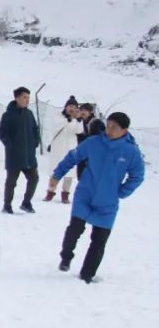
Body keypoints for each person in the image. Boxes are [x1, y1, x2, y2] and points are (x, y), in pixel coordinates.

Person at [52, 112, 144, 283]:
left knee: (99, 240)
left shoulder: (131, 151)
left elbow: (137, 175)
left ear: (124, 130)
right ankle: (66, 257)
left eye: (114, 127)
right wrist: (57, 175)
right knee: (74, 230)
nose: (108, 130)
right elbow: (73, 157)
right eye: (108, 125)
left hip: (107, 203)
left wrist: (122, 191)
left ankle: (87, 274)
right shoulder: (94, 142)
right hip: (85, 195)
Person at [0, 86, 40, 214]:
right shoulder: (8, 115)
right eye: (24, 97)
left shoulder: (29, 114)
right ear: (17, 98)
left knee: (34, 178)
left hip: (29, 155)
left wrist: (35, 142)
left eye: (28, 97)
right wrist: (10, 145)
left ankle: (26, 202)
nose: (27, 100)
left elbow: (35, 129)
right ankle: (7, 204)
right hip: (14, 155)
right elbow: (2, 132)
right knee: (11, 182)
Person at [43, 96, 83, 203]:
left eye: (74, 107)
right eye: (70, 106)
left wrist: (78, 120)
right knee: (55, 171)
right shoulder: (58, 116)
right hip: (58, 148)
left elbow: (79, 131)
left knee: (69, 173)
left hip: (70, 148)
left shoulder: (76, 120)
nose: (72, 109)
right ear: (66, 107)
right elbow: (56, 126)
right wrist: (69, 119)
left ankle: (65, 194)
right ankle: (50, 192)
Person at [75, 103, 104, 179]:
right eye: (81, 110)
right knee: (81, 177)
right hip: (82, 154)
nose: (83, 112)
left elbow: (99, 138)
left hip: (94, 155)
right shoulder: (79, 123)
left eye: (85, 110)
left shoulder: (97, 123)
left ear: (91, 112)